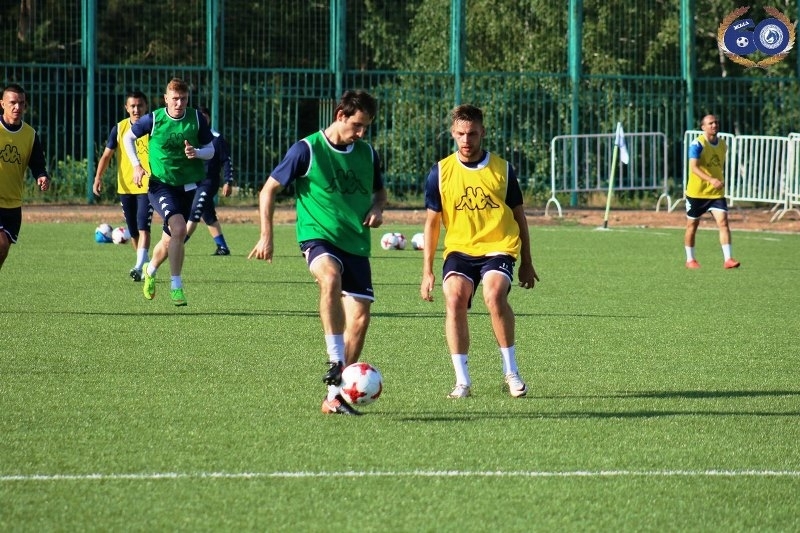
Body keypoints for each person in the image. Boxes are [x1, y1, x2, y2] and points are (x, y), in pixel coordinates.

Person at [248, 90, 386, 416]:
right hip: (317, 237)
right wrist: (266, 236)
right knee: (330, 277)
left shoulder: (367, 154)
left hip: (356, 243)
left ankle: (334, 396)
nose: (361, 132)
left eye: (366, 127)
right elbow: (268, 190)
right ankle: (336, 359)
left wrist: (378, 208)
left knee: (360, 319)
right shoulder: (307, 149)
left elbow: (380, 192)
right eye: (357, 125)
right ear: (340, 115)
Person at [420, 104, 538, 399]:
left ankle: (511, 372)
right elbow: (432, 224)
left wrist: (527, 261)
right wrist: (427, 271)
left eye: (472, 133)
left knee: (494, 294)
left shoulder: (503, 170)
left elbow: (519, 216)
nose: (466, 140)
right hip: (459, 249)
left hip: (499, 246)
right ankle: (462, 382)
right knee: (454, 298)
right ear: (452, 133)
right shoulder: (440, 172)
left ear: (482, 132)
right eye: (460, 134)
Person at [122, 78, 215, 306]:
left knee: (169, 240)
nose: (179, 103)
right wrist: (136, 165)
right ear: (166, 99)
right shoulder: (154, 119)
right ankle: (176, 286)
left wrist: (197, 153)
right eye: (175, 99)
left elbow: (211, 150)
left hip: (188, 186)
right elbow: (128, 137)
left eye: (183, 99)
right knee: (180, 229)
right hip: (160, 185)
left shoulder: (196, 119)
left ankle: (150, 270)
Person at [92, 90, 153, 281]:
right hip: (125, 187)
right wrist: (98, 177)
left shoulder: (153, 127)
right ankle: (144, 264)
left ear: (146, 107)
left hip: (148, 186)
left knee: (143, 227)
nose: (136, 109)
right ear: (126, 108)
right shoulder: (119, 128)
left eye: (140, 105)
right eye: (132, 106)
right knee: (133, 231)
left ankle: (138, 267)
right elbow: (106, 155)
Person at [0, 84, 50, 272]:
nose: (17, 107)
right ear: (2, 104)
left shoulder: (30, 134)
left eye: (21, 103)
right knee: (1, 244)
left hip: (13, 203)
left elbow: (38, 164)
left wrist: (42, 176)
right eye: (12, 102)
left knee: (3, 250)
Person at [684, 114, 740, 270]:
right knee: (692, 226)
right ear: (703, 127)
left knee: (723, 222)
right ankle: (690, 259)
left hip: (715, 193)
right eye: (710, 123)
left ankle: (728, 259)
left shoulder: (723, 144)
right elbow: (693, 167)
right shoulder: (697, 144)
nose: (714, 125)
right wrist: (711, 180)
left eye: (716, 122)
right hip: (697, 193)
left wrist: (718, 180)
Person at [185, 105, 234, 255]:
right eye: (199, 117)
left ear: (209, 118)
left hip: (208, 182)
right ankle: (222, 247)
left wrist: (228, 181)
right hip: (193, 182)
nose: (202, 119)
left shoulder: (217, 138)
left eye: (204, 117)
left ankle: (176, 243)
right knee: (208, 215)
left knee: (194, 212)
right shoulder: (190, 136)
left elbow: (226, 161)